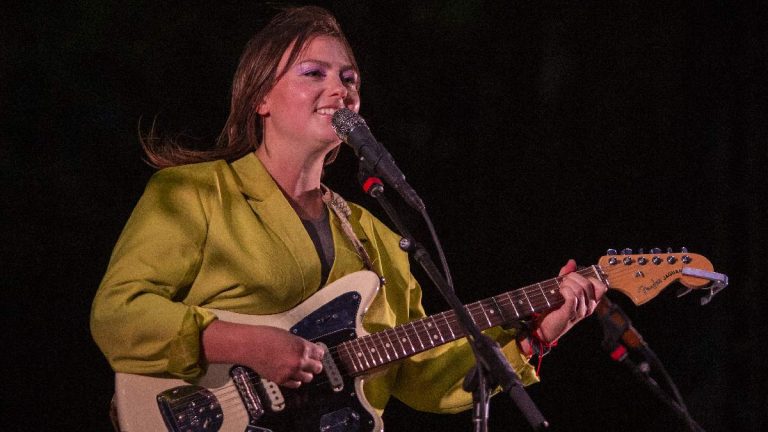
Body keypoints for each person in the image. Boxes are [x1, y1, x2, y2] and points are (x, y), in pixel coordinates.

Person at [90, 5, 606, 429]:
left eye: (349, 78)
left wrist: (536, 335)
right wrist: (247, 343)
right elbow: (119, 315)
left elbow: (422, 378)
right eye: (313, 73)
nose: (340, 89)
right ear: (261, 97)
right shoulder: (196, 193)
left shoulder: (375, 237)